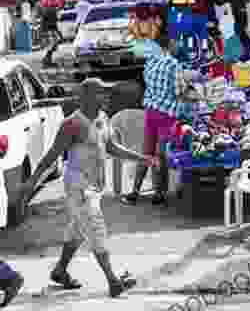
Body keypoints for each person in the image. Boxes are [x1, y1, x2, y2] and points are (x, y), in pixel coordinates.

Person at [21, 78, 154, 297]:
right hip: (78, 187)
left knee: (78, 230)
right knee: (95, 229)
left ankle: (60, 270)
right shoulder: (72, 124)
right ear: (85, 97)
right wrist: (31, 182)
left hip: (95, 187)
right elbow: (52, 156)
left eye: (105, 93)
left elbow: (112, 147)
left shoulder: (103, 118)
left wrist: (142, 158)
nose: (106, 97)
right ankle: (113, 280)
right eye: (100, 93)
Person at [121, 33, 199, 206]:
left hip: (150, 110)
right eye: (175, 43)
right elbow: (180, 92)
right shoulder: (173, 64)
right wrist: (195, 94)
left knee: (146, 152)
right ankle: (158, 194)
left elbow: (150, 85)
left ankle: (134, 193)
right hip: (166, 113)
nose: (178, 45)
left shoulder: (150, 62)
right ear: (169, 45)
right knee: (160, 153)